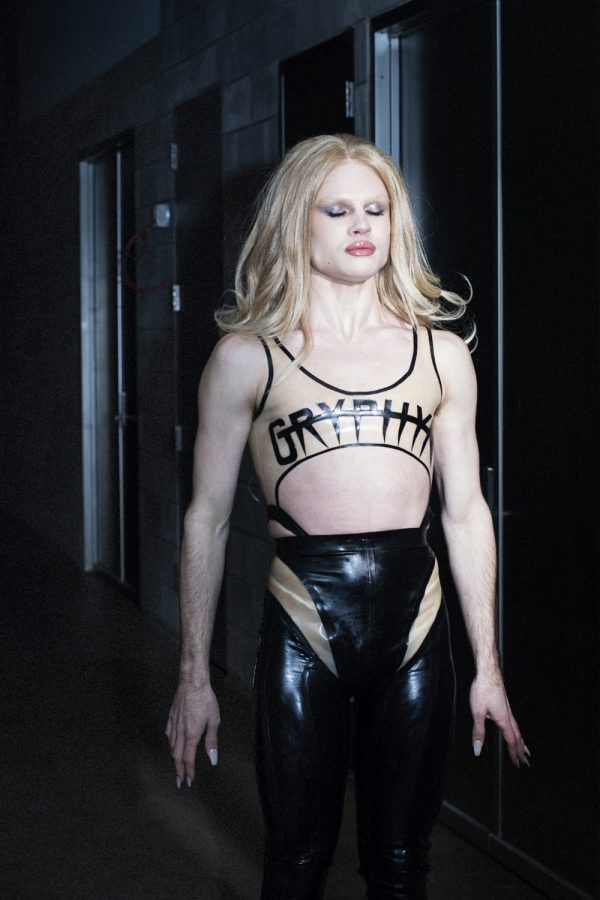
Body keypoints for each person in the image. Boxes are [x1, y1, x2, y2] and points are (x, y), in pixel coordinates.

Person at [165, 133, 529, 900]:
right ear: (296, 222)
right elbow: (205, 518)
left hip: (416, 619)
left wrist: (489, 667)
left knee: (402, 864)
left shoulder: (441, 355)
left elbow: (466, 512)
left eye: (377, 209)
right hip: (305, 616)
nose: (362, 225)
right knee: (295, 864)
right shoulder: (246, 357)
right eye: (336, 211)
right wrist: (193, 676)